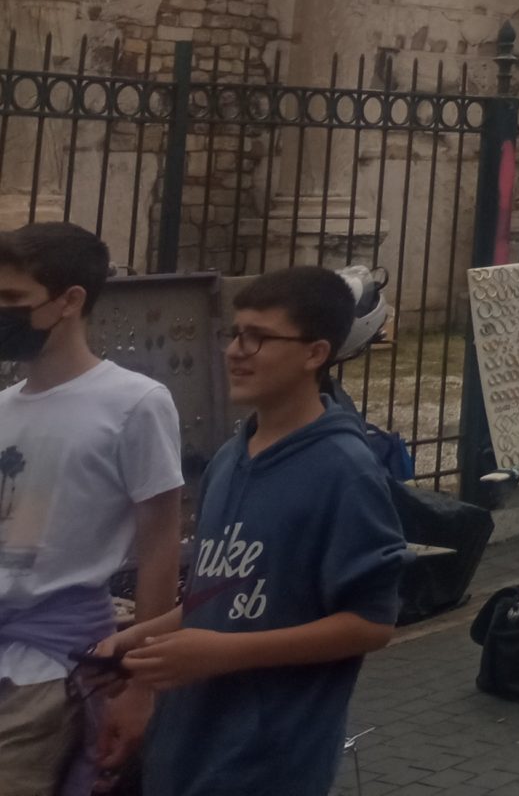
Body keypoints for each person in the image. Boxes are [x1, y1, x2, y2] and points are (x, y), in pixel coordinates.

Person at [111, 267, 403, 796]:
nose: (235, 351)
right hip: (188, 744)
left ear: (315, 353)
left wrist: (223, 653)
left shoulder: (344, 469)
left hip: (270, 757)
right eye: (234, 333)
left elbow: (370, 623)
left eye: (258, 337)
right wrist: (140, 636)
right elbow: (226, 595)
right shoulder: (229, 457)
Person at [0, 224, 182, 794]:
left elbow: (158, 545)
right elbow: (21, 535)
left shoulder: (133, 403)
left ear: (70, 301)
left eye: (12, 300)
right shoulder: (4, 407)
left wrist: (139, 685)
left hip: (52, 666)